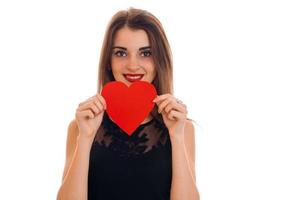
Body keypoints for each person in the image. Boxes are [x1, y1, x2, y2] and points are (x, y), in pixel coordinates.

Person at [56, 7, 200, 200]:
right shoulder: (80, 127)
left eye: (146, 53)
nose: (133, 65)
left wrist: (177, 135)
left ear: (159, 61)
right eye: (121, 53)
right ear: (109, 61)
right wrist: (85, 137)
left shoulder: (182, 128)